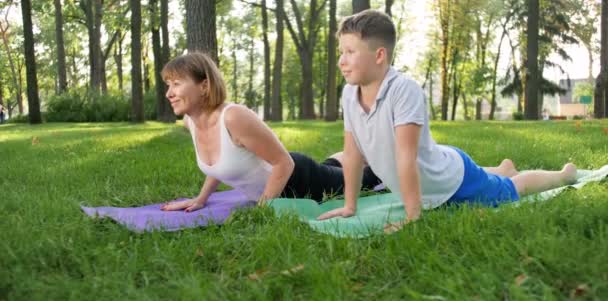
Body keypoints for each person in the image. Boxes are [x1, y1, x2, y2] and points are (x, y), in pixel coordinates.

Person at [317, 10, 577, 232]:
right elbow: (351, 155)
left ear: (379, 55)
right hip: (432, 169)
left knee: (510, 190)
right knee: (494, 179)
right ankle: (501, 167)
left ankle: (562, 175)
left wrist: (412, 216)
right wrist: (350, 206)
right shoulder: (350, 94)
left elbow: (405, 157)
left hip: (449, 180)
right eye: (341, 52)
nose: (341, 60)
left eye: (350, 52)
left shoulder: (404, 90)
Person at [159, 52, 381, 212]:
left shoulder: (233, 116)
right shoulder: (191, 122)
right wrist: (200, 199)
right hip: (289, 176)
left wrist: (262, 210)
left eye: (176, 84)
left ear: (204, 86)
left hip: (300, 183)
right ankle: (350, 157)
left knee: (369, 179)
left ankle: (386, 152)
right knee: (331, 169)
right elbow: (217, 163)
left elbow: (284, 163)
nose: (169, 93)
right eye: (168, 85)